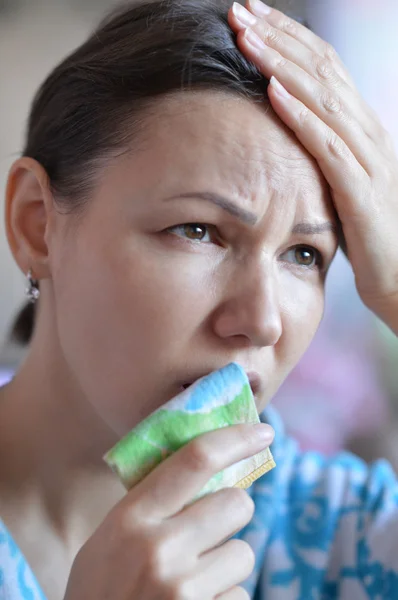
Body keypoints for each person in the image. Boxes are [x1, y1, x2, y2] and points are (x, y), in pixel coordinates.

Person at [1, 0, 398, 598]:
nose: (262, 321)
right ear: (37, 224)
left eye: (304, 255)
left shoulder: (335, 529)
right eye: (198, 230)